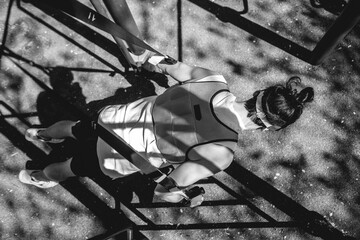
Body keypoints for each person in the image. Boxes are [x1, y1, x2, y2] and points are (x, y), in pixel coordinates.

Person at [19, 55, 314, 203]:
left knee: (74, 128)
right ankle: (37, 175)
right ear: (266, 128)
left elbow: (163, 62)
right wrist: (185, 197)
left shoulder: (212, 80)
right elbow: (164, 189)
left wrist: (149, 64)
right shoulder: (221, 151)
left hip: (111, 119)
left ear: (258, 93)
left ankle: (41, 133)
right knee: (70, 167)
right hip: (115, 155)